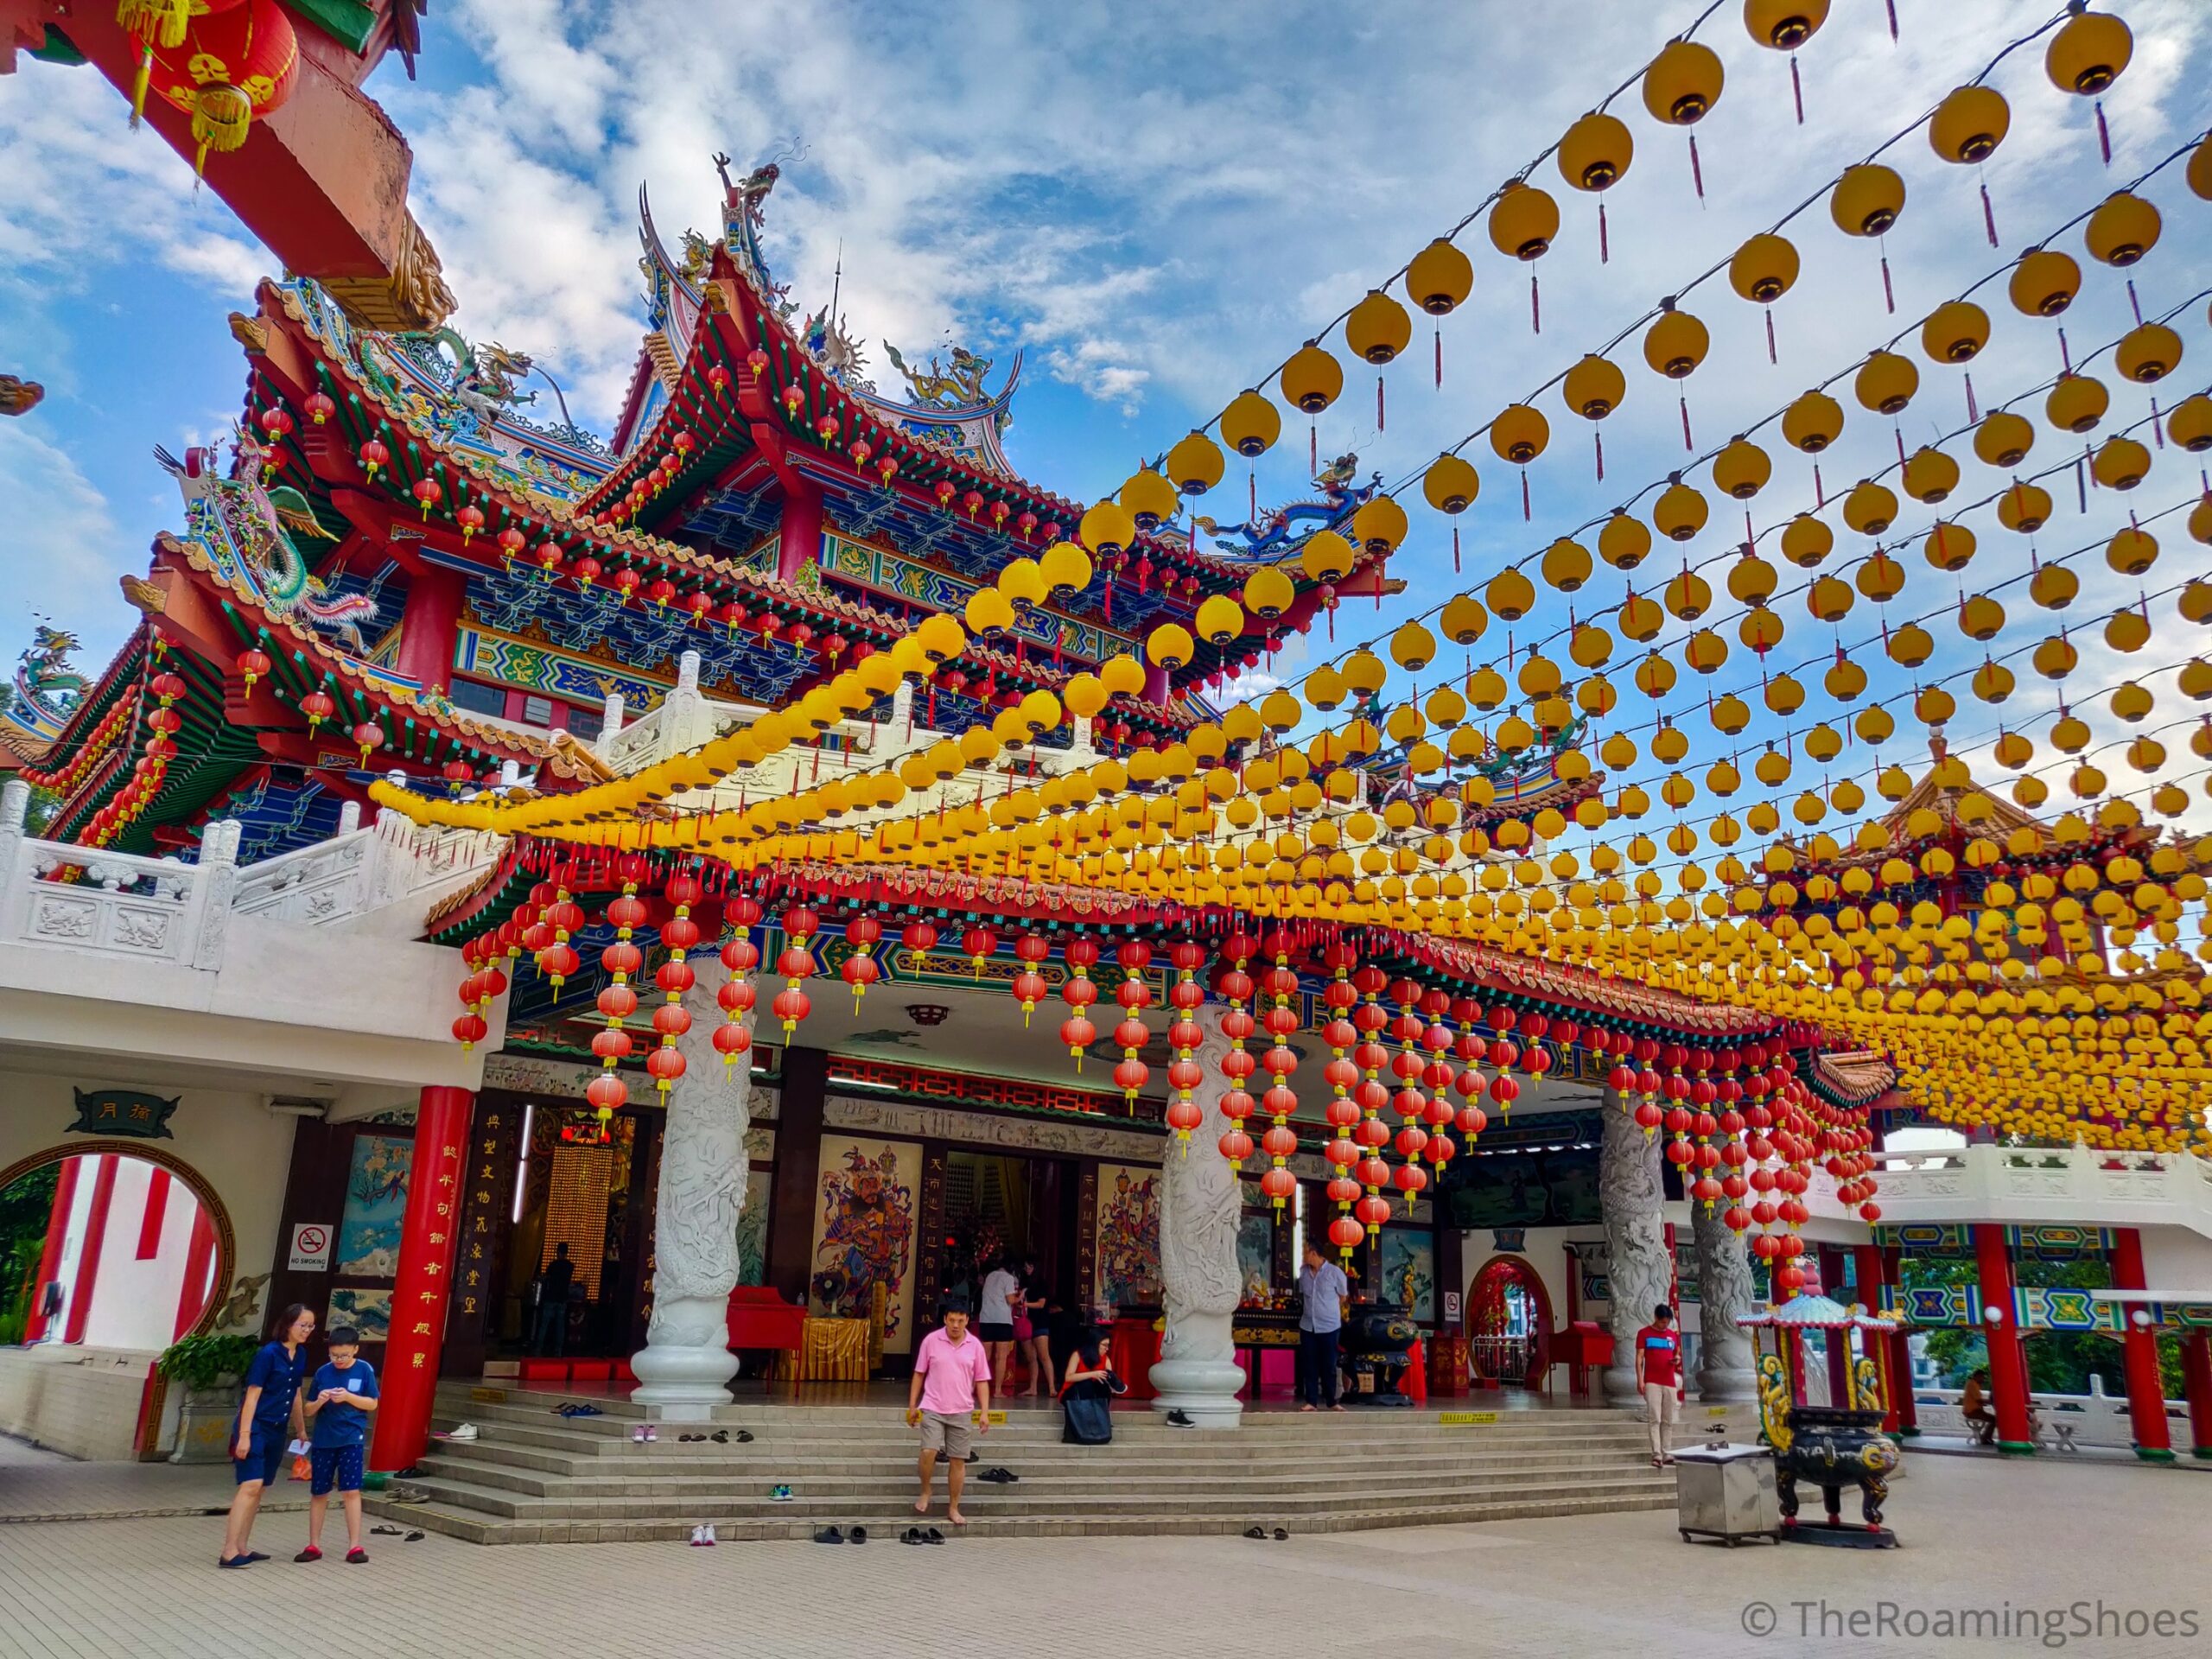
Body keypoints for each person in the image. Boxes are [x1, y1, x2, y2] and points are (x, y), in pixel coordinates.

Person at [220, 1303, 314, 1568]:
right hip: (257, 1426)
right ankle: (228, 1550)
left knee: (260, 1488)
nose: (306, 1330)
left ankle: (242, 1546)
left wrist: (301, 1428)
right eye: (302, 1325)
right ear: (287, 1325)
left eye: (310, 1326)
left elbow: (295, 1394)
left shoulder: (301, 1354)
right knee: (250, 1484)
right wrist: (245, 1435)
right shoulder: (268, 1354)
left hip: (278, 1428)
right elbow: (252, 1395)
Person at [906, 1300, 991, 1527]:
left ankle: (953, 1507)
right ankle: (926, 1490)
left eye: (960, 1321)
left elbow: (982, 1380)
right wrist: (913, 1406)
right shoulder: (931, 1341)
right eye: (952, 1320)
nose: (955, 1325)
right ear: (945, 1319)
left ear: (967, 1321)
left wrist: (985, 1412)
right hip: (933, 1406)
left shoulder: (975, 1345)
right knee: (928, 1451)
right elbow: (919, 1374)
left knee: (958, 1461)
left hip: (962, 1410)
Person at [299, 1325, 379, 1563]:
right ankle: (314, 1544)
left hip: (351, 1439)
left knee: (351, 1491)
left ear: (355, 1349)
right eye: (335, 1355)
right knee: (319, 1492)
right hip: (324, 1440)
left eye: (344, 1355)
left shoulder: (364, 1369)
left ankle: (355, 1545)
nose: (340, 1360)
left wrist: (348, 1397)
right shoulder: (323, 1372)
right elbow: (308, 1409)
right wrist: (320, 1401)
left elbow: (372, 1403)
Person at [1296, 1243, 1349, 1411]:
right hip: (1308, 1325)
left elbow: (1342, 1296)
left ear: (1313, 1253)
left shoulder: (1335, 1272)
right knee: (1309, 1364)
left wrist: (1327, 1308)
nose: (1303, 1257)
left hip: (1329, 1326)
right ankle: (1311, 1401)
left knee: (1329, 1365)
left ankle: (1332, 1401)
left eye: (1305, 1253)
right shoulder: (1303, 1273)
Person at [1635, 1303, 1682, 1467]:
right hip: (1652, 1381)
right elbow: (1640, 1358)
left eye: (1667, 1322)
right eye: (1662, 1322)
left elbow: (1676, 1353)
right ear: (1655, 1318)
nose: (1665, 1325)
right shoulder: (1644, 1334)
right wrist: (1640, 1380)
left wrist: (1676, 1359)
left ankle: (1667, 1451)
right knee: (1655, 1417)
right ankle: (1656, 1453)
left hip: (1669, 1381)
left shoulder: (1672, 1335)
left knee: (1668, 1419)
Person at [1058, 1327, 1119, 1446]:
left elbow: (1109, 1379)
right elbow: (1069, 1377)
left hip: (1093, 1394)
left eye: (1108, 1346)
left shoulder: (1106, 1359)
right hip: (1073, 1393)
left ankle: (1101, 1419)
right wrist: (1092, 1374)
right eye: (1104, 1345)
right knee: (1086, 1384)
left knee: (1101, 1387)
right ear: (1095, 1343)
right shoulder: (1077, 1355)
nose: (1107, 1349)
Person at [977, 1253, 1021, 1391]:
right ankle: (997, 1390)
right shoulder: (1008, 1278)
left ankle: (976, 1388)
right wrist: (1020, 1297)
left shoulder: (990, 1276)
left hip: (986, 1319)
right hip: (1002, 1320)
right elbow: (1010, 1300)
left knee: (985, 1356)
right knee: (1001, 1357)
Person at [1015, 1255, 1056, 1398]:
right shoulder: (1024, 1283)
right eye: (1026, 1267)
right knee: (1031, 1357)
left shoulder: (1041, 1283)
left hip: (1040, 1322)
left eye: (1030, 1267)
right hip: (1027, 1323)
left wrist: (1025, 1304)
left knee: (1044, 1356)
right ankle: (1033, 1388)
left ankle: (1052, 1387)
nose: (1027, 1269)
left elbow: (1041, 1304)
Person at [533, 1243, 575, 1356]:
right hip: (562, 1299)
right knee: (560, 1326)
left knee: (544, 1324)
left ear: (558, 1252)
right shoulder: (570, 1266)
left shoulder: (553, 1265)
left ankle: (538, 1349)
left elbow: (546, 1278)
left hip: (551, 1297)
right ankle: (558, 1351)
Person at [1961, 1369, 1996, 1445]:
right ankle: (1985, 1438)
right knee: (1994, 1420)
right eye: (1982, 1377)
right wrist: (1991, 1401)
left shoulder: (1974, 1384)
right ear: (1978, 1376)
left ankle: (1985, 1437)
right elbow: (1978, 1400)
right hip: (1972, 1411)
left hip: (1975, 1410)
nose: (1983, 1379)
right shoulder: (1972, 1384)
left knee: (1993, 1419)